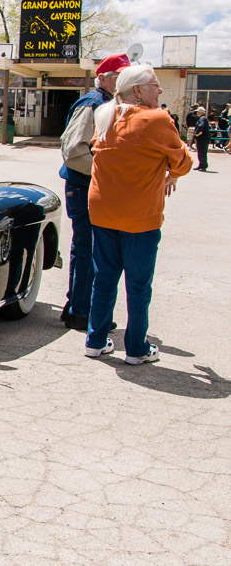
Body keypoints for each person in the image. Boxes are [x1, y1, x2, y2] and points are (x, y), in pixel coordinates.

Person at [84, 65, 191, 364]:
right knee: (139, 284)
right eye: (155, 84)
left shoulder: (106, 116)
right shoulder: (157, 119)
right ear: (139, 90)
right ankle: (136, 348)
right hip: (139, 215)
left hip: (103, 211)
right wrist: (171, 171)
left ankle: (95, 340)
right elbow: (183, 162)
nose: (160, 89)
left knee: (104, 278)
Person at [58, 53, 130, 331]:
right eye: (119, 76)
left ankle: (78, 307)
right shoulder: (93, 104)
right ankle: (81, 312)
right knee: (89, 249)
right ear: (103, 78)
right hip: (84, 186)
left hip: (89, 185)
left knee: (87, 249)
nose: (123, 81)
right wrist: (109, 174)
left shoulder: (108, 103)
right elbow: (74, 151)